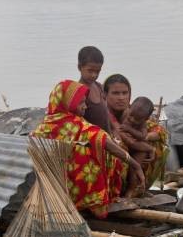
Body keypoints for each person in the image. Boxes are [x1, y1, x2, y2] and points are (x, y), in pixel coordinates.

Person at [33, 80, 145, 218]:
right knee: (109, 152)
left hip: (54, 188)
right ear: (69, 103)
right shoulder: (77, 126)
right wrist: (135, 165)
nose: (85, 107)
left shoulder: (43, 126)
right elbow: (105, 142)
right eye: (81, 103)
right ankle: (95, 203)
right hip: (77, 189)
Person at [118, 97, 169, 196]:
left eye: (137, 119)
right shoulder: (125, 114)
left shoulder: (143, 125)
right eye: (131, 115)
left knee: (134, 169)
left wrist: (129, 129)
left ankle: (131, 190)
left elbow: (142, 136)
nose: (132, 120)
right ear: (129, 107)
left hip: (138, 148)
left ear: (145, 119)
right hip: (126, 145)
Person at [77, 46, 112, 133]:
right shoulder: (78, 91)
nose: (94, 75)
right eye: (90, 71)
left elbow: (106, 114)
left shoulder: (99, 86)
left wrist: (111, 134)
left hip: (106, 136)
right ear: (80, 67)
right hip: (92, 139)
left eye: (97, 71)